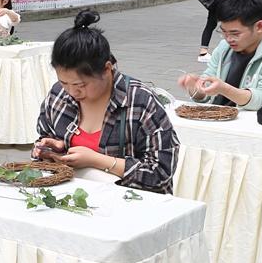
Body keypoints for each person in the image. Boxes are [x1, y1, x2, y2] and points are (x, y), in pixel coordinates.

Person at [32, 11, 179, 194]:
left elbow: (161, 171)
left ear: (107, 69)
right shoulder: (59, 94)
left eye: (80, 85)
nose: (71, 92)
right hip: (72, 197)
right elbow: (43, 140)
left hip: (131, 205)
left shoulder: (140, 102)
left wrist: (97, 160)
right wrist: (51, 148)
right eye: (64, 83)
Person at [178, 0, 262, 109]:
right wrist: (196, 88)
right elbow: (207, 90)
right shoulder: (224, 47)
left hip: (257, 124)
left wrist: (224, 89)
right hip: (218, 118)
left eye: (235, 33)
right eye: (223, 32)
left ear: (259, 27)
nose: (229, 39)